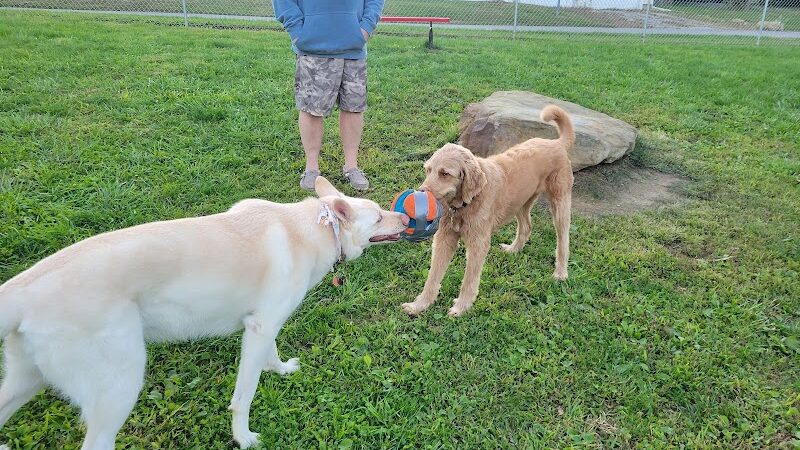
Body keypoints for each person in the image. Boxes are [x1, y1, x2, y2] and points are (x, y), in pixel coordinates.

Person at [273, 0, 386, 191]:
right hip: (312, 47)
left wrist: (365, 28)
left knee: (353, 108)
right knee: (311, 109)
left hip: (354, 49)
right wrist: (298, 33)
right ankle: (311, 169)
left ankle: (351, 166)